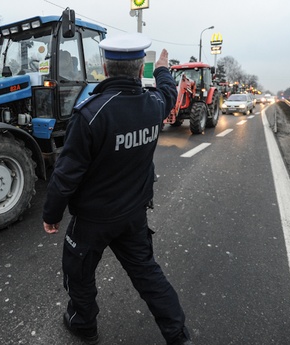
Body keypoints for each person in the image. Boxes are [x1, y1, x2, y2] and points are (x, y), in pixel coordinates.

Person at [43, 32, 193, 345]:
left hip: (93, 221)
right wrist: (163, 69)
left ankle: (83, 323)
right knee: (148, 274)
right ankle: (178, 336)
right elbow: (167, 91)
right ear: (141, 71)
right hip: (133, 215)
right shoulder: (153, 105)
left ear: (105, 69)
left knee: (78, 271)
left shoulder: (90, 113)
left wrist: (51, 213)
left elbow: (66, 174)